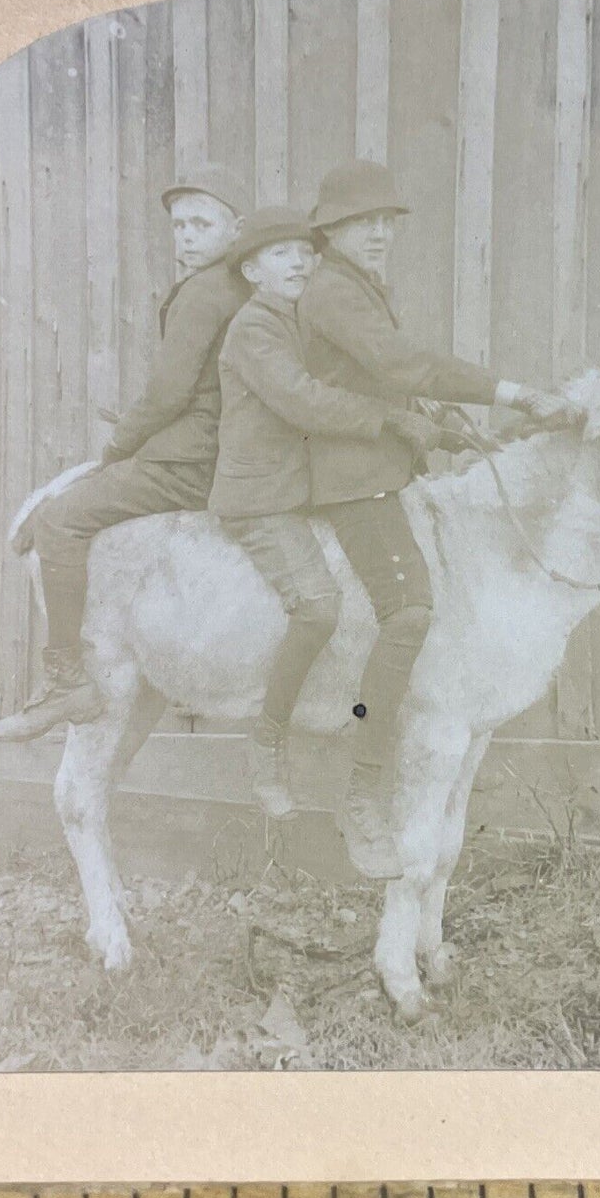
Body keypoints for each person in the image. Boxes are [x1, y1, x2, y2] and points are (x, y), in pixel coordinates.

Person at [297, 159, 578, 876]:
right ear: (328, 232)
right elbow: (397, 366)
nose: (378, 234)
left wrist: (439, 424)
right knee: (411, 613)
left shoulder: (359, 288)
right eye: (362, 223)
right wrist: (509, 392)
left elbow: (385, 382)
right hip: (346, 479)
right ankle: (362, 787)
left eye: (386, 223)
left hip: (379, 469)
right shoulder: (330, 289)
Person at [0, 164, 253, 741]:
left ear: (236, 230)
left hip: (192, 461)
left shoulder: (206, 293)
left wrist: (118, 447)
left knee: (59, 519)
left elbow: (168, 393)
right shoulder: (237, 286)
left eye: (201, 223)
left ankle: (68, 683)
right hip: (211, 448)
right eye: (179, 225)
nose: (186, 235)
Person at [210, 207, 442, 818]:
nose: (299, 263)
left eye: (305, 254)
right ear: (252, 271)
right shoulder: (254, 328)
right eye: (280, 255)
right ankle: (265, 743)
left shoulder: (304, 320)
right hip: (263, 499)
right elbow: (304, 401)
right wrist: (391, 419)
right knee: (318, 608)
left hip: (305, 490)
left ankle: (364, 738)